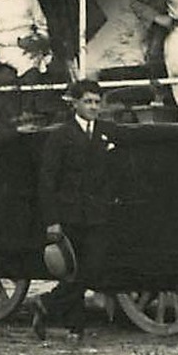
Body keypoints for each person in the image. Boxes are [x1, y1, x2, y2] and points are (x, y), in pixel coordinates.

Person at [31, 79, 117, 339]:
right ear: (75, 104)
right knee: (74, 272)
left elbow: (138, 135)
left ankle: (47, 303)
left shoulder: (105, 131)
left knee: (94, 268)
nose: (93, 106)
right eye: (88, 101)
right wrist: (52, 220)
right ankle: (74, 328)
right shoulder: (61, 136)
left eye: (96, 102)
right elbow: (47, 180)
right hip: (70, 214)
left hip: (96, 214)